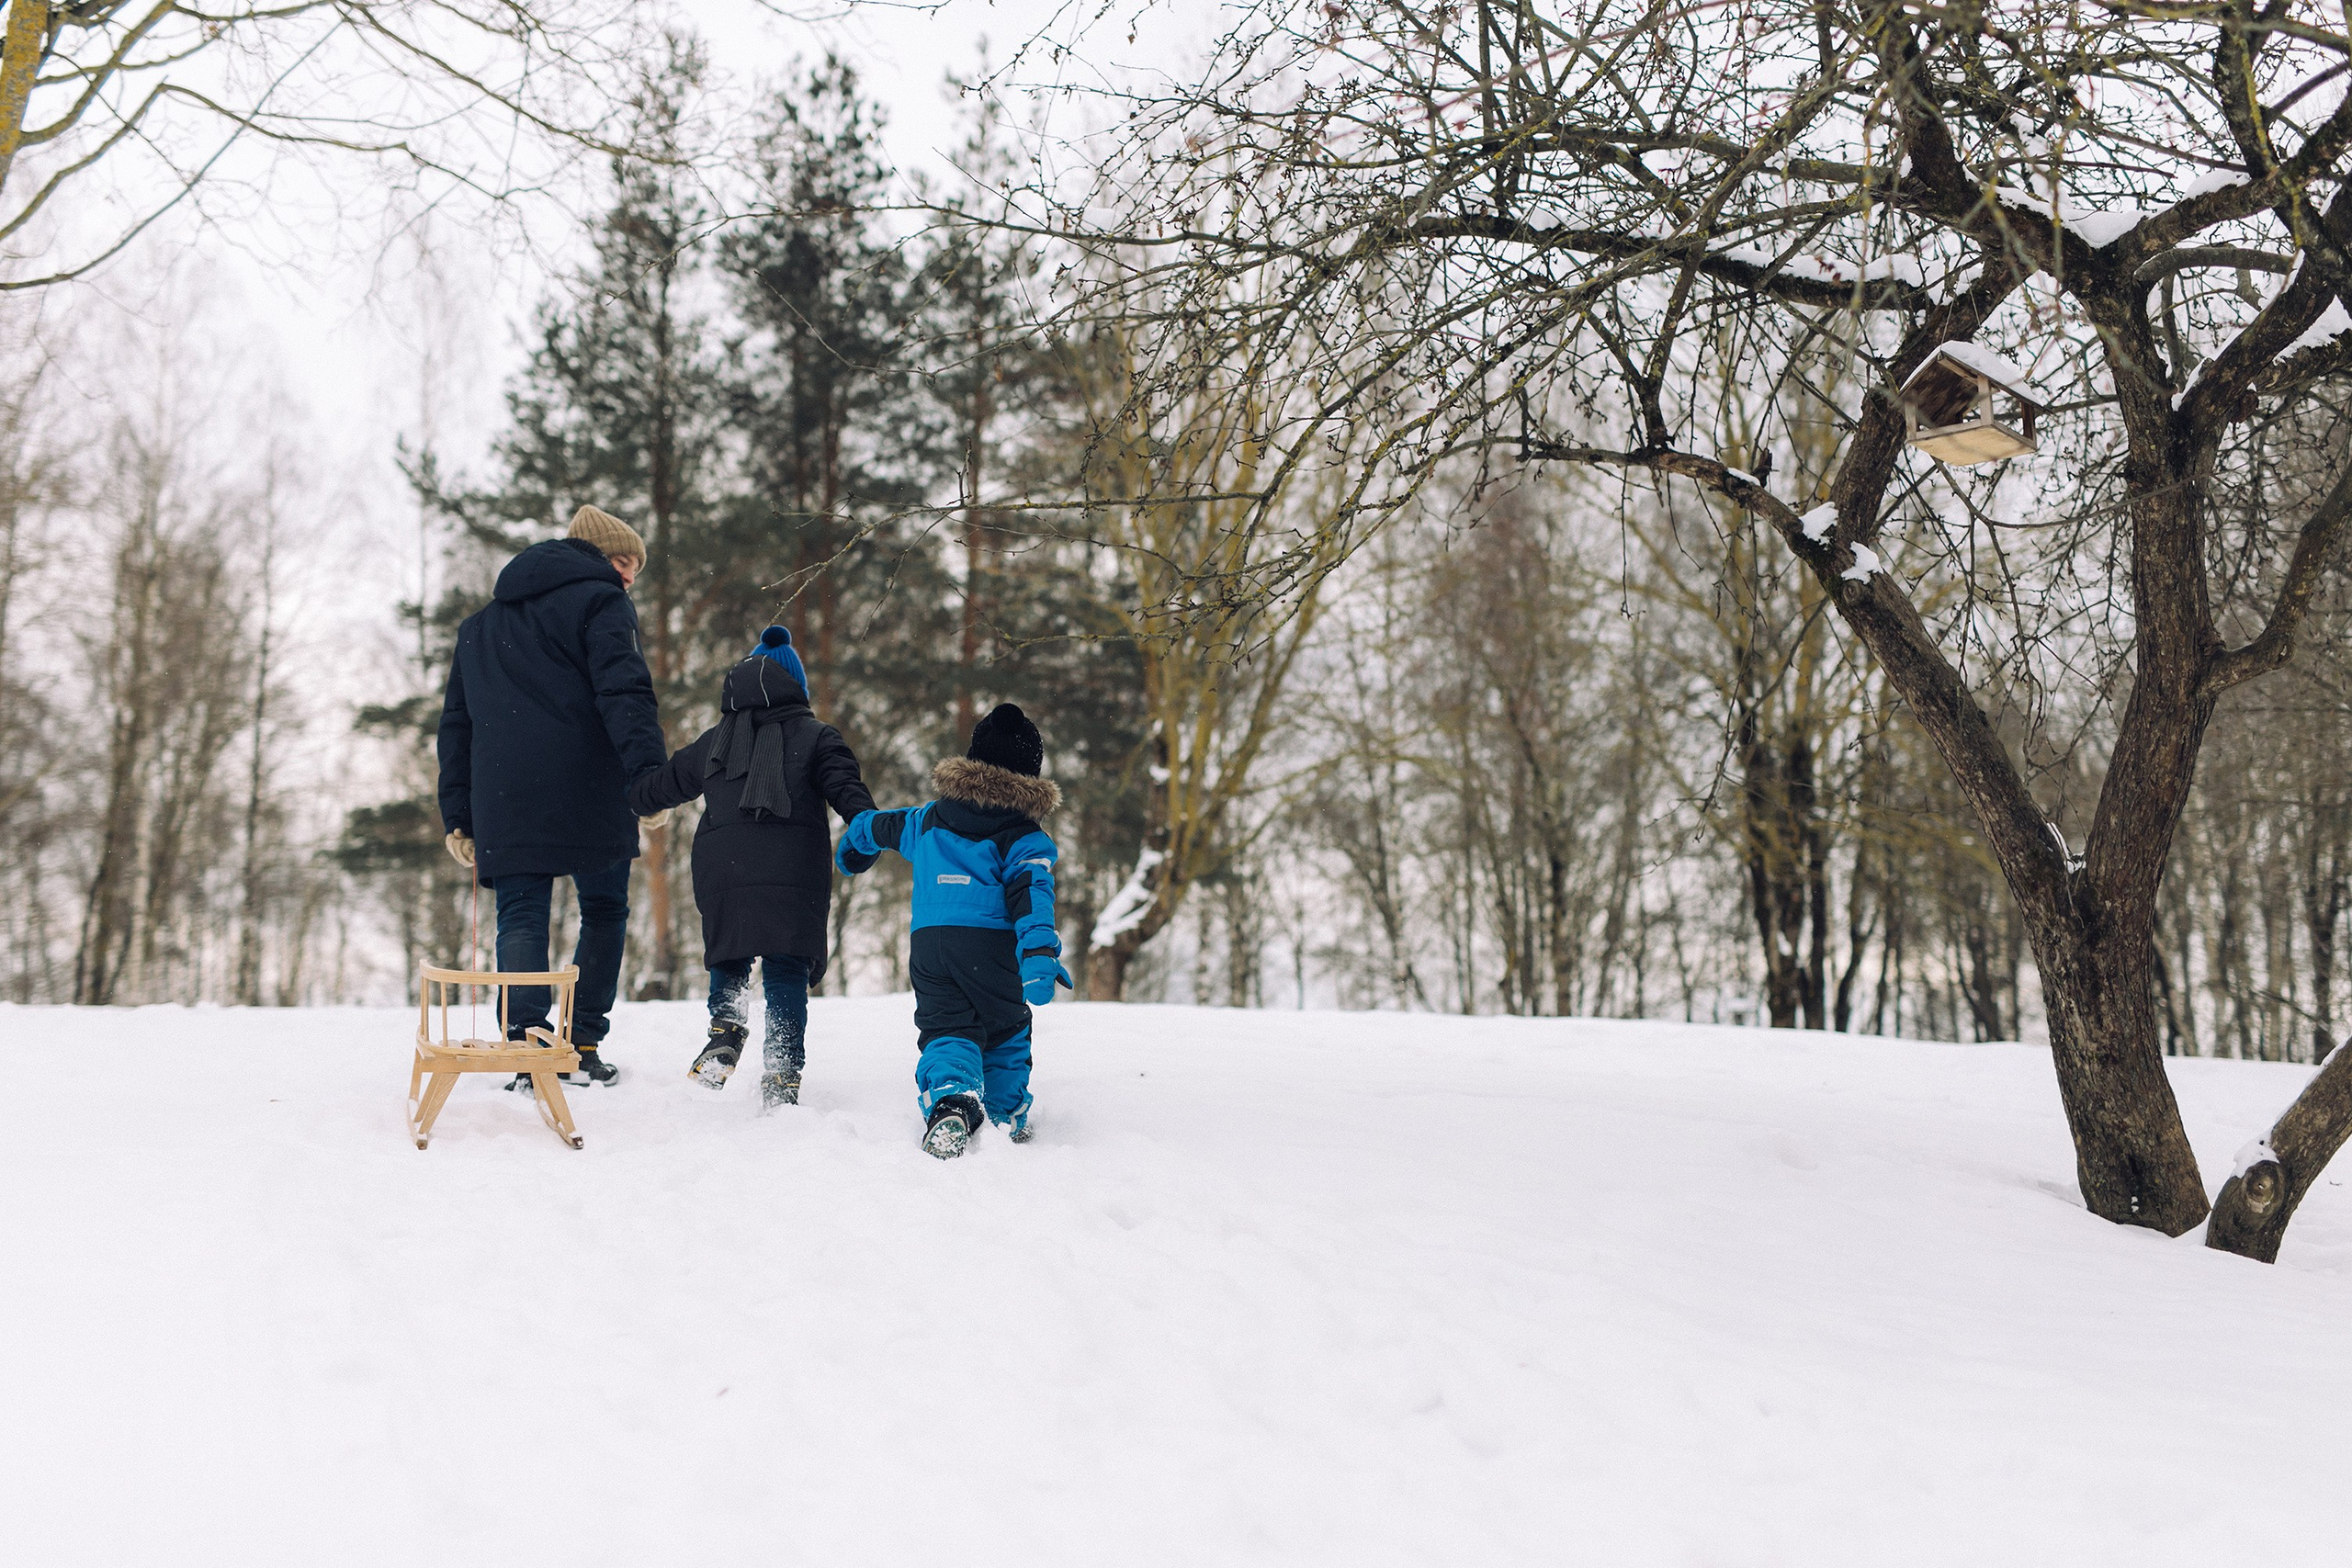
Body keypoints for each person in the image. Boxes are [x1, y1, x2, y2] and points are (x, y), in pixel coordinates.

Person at [436, 504, 667, 1087]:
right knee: (605, 910)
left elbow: (457, 726)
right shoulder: (602, 602)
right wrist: (647, 778)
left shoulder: (479, 627)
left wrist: (459, 815)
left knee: (520, 916)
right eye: (622, 561)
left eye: (636, 567)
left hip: (506, 795)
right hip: (590, 782)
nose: (629, 576)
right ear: (591, 556)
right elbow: (625, 691)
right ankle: (581, 1041)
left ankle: (527, 1045)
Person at [627, 626, 875, 1110]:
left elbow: (656, 788)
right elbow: (851, 795)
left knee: (731, 954)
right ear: (796, 686)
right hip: (793, 867)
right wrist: (862, 836)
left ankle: (726, 1028)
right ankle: (782, 1070)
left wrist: (631, 789)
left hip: (725, 867)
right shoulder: (818, 736)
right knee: (785, 965)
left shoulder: (713, 741)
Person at [833, 702, 1071, 1158]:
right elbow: (1031, 896)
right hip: (989, 946)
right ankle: (1004, 1116)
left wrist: (853, 849)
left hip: (931, 948)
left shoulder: (927, 819)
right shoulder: (1024, 837)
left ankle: (952, 1099)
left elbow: (876, 826)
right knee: (1005, 1028)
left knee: (947, 1028)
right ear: (1031, 777)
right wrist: (1039, 953)